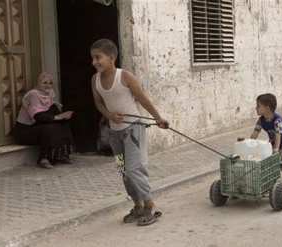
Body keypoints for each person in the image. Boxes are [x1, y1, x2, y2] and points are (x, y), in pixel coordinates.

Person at [90, 38, 169, 226]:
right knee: (123, 170)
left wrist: (158, 118)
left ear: (111, 58)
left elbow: (142, 98)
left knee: (134, 168)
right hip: (114, 134)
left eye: (97, 57)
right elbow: (98, 103)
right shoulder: (95, 80)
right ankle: (138, 206)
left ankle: (150, 205)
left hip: (133, 129)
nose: (94, 62)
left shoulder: (124, 76)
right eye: (92, 58)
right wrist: (109, 115)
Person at [14, 72, 75, 169]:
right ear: (39, 83)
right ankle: (44, 158)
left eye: (50, 83)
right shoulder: (33, 95)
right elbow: (38, 116)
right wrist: (57, 117)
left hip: (37, 127)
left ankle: (62, 154)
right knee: (49, 129)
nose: (47, 86)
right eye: (45, 83)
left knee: (63, 124)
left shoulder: (49, 96)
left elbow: (51, 116)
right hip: (24, 131)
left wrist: (64, 116)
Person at [250, 93, 282, 182]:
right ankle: (272, 180)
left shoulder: (277, 120)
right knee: (270, 162)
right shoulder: (261, 120)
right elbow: (255, 132)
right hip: (273, 142)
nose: (256, 108)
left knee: (281, 163)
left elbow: (278, 135)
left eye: (258, 106)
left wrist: (276, 149)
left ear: (267, 108)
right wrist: (249, 143)